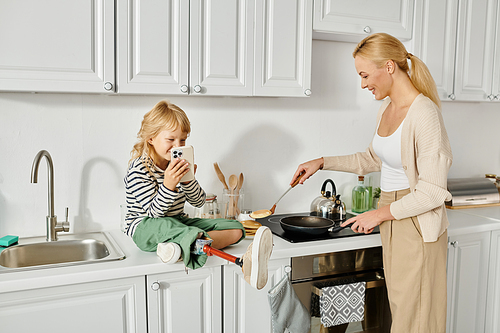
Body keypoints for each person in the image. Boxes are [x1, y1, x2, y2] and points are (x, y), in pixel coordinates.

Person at [291, 33, 452, 332]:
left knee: (415, 318)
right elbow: (372, 159)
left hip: (413, 219)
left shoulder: (424, 114)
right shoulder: (387, 109)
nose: (363, 84)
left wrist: (378, 214)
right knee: (403, 310)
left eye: (365, 75)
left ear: (389, 66)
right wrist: (322, 161)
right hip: (393, 213)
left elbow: (431, 191)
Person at [124, 100, 273, 290]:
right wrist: (169, 185)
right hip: (145, 227)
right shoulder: (140, 169)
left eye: (183, 140)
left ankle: (180, 248)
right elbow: (155, 214)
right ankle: (189, 242)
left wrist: (188, 180)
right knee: (167, 225)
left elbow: (199, 201)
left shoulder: (178, 165)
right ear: (151, 138)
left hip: (178, 222)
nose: (177, 146)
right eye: (171, 140)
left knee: (236, 228)